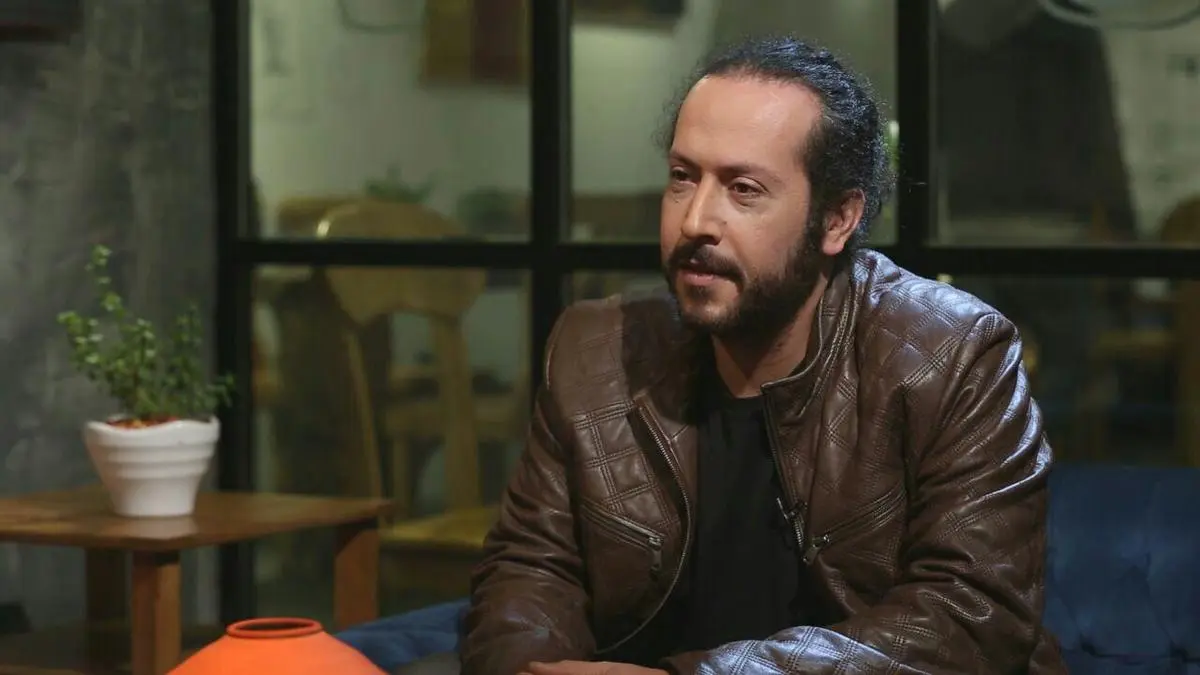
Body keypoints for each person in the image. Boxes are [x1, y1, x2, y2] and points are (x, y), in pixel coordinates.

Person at [432, 35, 1067, 675]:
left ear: (837, 219)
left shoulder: (953, 355)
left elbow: (970, 616)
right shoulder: (593, 351)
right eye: (682, 178)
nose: (695, 221)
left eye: (743, 189)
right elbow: (529, 569)